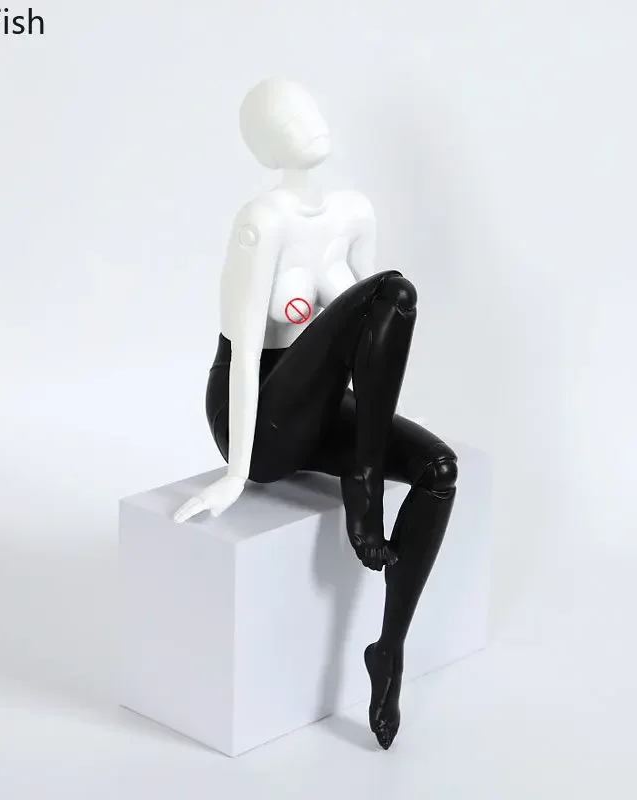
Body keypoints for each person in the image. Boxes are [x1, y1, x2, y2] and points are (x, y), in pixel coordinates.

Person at [174, 78, 457, 750]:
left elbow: (369, 346)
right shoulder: (261, 221)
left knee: (439, 469)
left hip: (320, 404)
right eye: (283, 119)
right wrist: (236, 472)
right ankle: (364, 486)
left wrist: (369, 430)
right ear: (264, 147)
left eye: (306, 108)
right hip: (258, 412)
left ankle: (388, 651)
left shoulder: (354, 212)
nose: (304, 122)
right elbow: (245, 349)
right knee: (392, 291)